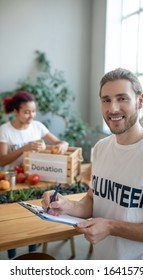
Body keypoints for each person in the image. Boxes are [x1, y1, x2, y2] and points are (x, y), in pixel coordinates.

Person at [41, 68, 143, 260]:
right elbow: (94, 200)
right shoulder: (102, 147)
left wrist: (112, 227)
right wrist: (67, 205)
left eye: (122, 98)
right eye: (106, 100)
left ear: (140, 101)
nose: (113, 108)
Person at [0, 90, 69, 259]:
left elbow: (60, 142)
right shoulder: (5, 130)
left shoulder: (38, 127)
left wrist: (63, 145)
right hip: (13, 182)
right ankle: (13, 255)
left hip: (35, 180)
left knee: (34, 216)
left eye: (33, 111)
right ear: (15, 111)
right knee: (15, 221)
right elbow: (2, 161)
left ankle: (33, 253)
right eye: (26, 112)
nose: (31, 116)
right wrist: (24, 148)